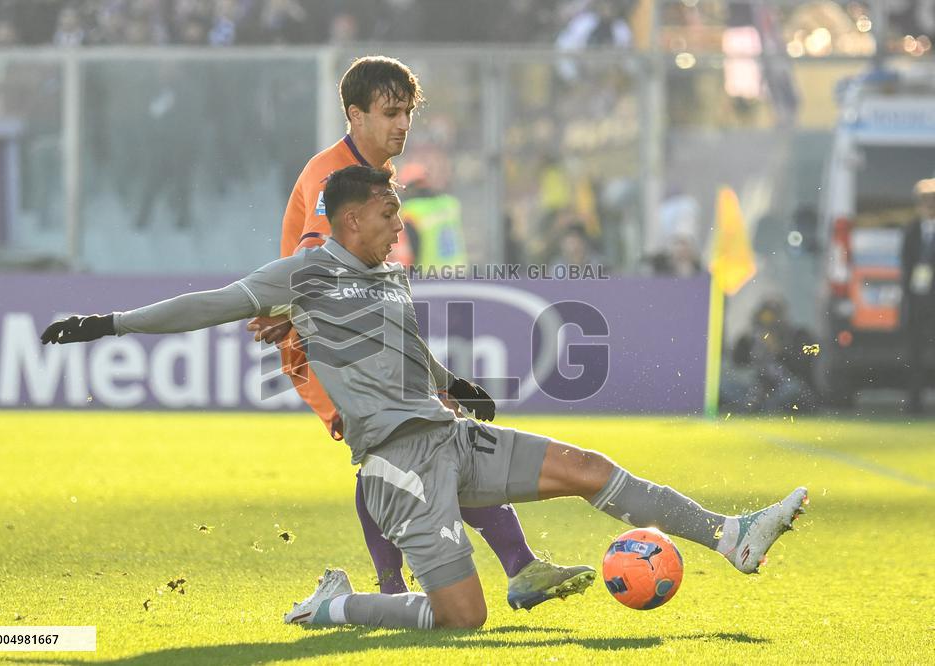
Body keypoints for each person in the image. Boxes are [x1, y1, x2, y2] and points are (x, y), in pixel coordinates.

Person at [42, 165, 809, 630]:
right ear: (348, 219)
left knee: (588, 467)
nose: (398, 224)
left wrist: (451, 384)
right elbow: (206, 304)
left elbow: (404, 349)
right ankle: (337, 605)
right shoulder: (303, 274)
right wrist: (108, 324)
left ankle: (729, 535)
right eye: (387, 213)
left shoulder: (388, 274)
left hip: (444, 433)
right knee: (462, 618)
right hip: (398, 461)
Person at [246, 56, 594, 609]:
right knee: (403, 449)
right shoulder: (331, 177)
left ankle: (494, 572)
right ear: (355, 116)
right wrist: (287, 311)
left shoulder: (376, 174)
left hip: (362, 331)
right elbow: (315, 256)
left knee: (430, 443)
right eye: (390, 112)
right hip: (325, 344)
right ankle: (410, 591)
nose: (403, 123)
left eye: (407, 111)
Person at [900, 178, 935, 414]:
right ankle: (915, 402)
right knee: (915, 353)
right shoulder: (912, 230)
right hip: (917, 301)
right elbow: (906, 264)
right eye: (925, 202)